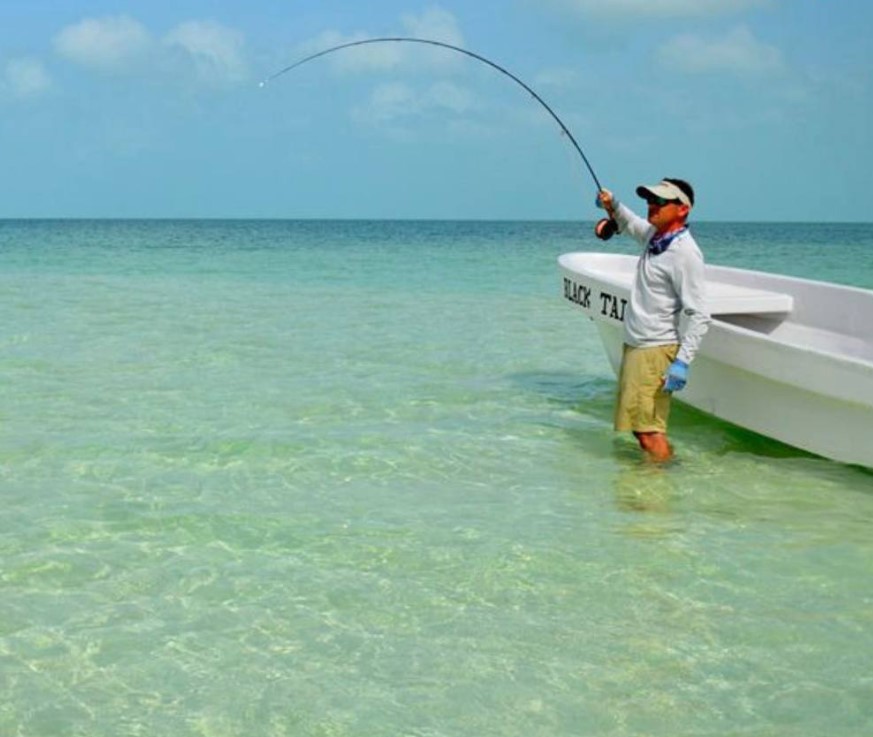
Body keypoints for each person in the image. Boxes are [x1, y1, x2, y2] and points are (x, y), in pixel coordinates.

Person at [595, 178, 711, 461]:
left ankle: (658, 491)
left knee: (648, 431)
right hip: (637, 346)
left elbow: (700, 314)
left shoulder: (684, 253)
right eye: (649, 200)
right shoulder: (655, 237)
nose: (651, 206)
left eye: (660, 201)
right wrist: (613, 205)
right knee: (640, 428)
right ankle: (660, 475)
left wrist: (682, 362)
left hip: (655, 349)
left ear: (683, 209)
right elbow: (631, 222)